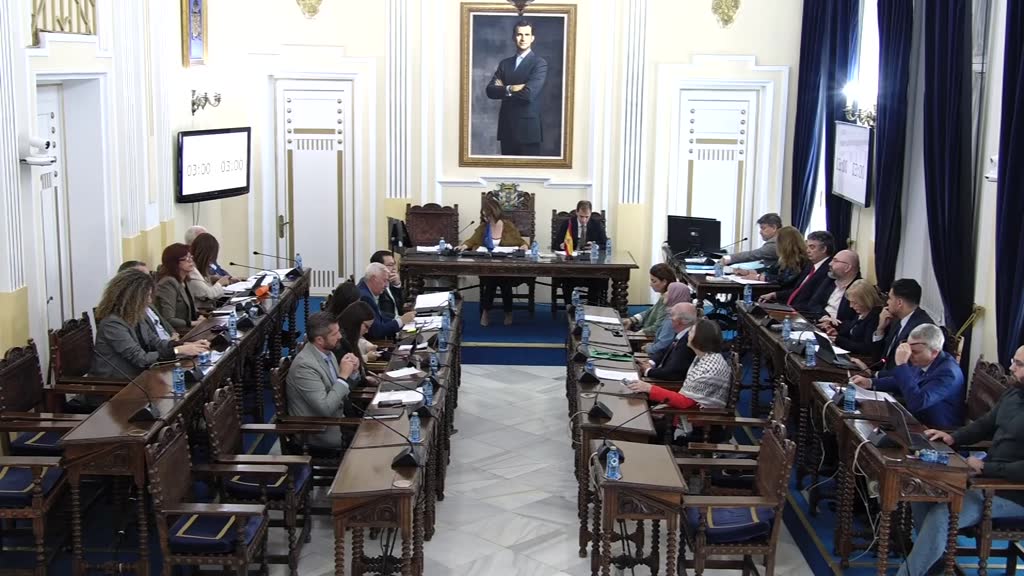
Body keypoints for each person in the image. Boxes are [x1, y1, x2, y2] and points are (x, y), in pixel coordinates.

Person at [891, 345, 1024, 576]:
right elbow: (985, 424)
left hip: (1009, 491)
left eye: (1019, 364)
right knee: (920, 492)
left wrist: (987, 467)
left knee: (942, 516)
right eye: (1013, 360)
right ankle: (933, 562)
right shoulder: (1014, 393)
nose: (1011, 367)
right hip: (984, 478)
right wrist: (953, 437)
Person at [91, 269, 208, 381]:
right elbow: (140, 358)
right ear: (132, 298)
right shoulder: (113, 324)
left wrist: (186, 345)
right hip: (117, 383)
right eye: (146, 296)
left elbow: (156, 343)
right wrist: (177, 350)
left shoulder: (136, 316)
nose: (149, 301)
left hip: (141, 375)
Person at [851, 324, 964, 429]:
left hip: (936, 430)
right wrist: (870, 382)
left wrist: (902, 365)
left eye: (915, 352)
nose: (910, 356)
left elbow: (917, 403)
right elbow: (903, 380)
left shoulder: (948, 373)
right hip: (914, 420)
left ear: (934, 352)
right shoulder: (924, 360)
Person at [287, 312, 360, 448]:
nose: (340, 336)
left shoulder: (328, 353)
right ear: (320, 340)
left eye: (339, 331)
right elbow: (325, 409)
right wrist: (343, 376)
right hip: (320, 432)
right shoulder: (304, 366)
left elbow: (340, 392)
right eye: (335, 334)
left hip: (341, 421)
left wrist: (353, 372)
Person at [628, 319, 732, 412]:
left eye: (691, 331)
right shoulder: (704, 357)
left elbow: (685, 402)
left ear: (699, 338)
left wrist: (649, 388)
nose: (688, 334)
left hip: (696, 419)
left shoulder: (709, 368)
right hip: (687, 412)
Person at [458, 197, 529, 326]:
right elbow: (471, 241)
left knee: (504, 280)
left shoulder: (508, 226)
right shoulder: (483, 227)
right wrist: (463, 246)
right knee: (492, 279)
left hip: (507, 266)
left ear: (495, 213)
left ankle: (503, 312)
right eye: (484, 216)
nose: (486, 219)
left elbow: (521, 242)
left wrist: (524, 246)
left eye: (488, 216)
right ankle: (490, 312)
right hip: (488, 266)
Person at [485, 19, 549, 156]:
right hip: (507, 129)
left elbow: (528, 95)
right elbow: (490, 91)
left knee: (528, 170)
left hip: (528, 132)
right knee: (506, 169)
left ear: (532, 38)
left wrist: (503, 90)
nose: (523, 38)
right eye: (519, 34)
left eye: (527, 35)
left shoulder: (539, 63)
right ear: (514, 37)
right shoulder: (505, 64)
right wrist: (511, 88)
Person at [872, 278, 935, 376]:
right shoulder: (897, 320)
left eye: (890, 298)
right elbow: (881, 359)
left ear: (899, 303)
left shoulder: (922, 329)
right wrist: (880, 329)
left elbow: (910, 371)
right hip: (884, 376)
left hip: (896, 382)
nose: (887, 302)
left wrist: (875, 376)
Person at [759, 230, 834, 309]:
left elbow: (814, 301)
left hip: (802, 311)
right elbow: (797, 291)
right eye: (807, 247)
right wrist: (775, 294)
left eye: (812, 247)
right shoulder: (810, 266)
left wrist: (789, 310)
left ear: (823, 249)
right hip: (791, 306)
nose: (807, 251)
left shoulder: (829, 270)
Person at [556, 200, 610, 305]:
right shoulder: (568, 223)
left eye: (587, 217)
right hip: (571, 264)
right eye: (581, 216)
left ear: (590, 214)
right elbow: (556, 244)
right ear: (576, 212)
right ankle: (569, 306)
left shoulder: (596, 224)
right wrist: (562, 245)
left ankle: (591, 307)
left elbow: (605, 244)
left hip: (591, 265)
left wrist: (595, 246)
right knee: (566, 277)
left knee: (597, 279)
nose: (584, 220)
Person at [734, 226, 809, 291]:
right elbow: (771, 269)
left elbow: (785, 279)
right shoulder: (785, 258)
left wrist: (759, 277)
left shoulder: (800, 259)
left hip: (785, 295)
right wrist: (748, 272)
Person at [117, 260, 176, 342]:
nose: (149, 280)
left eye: (149, 276)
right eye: (142, 277)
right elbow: (145, 346)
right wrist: (173, 346)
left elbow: (164, 323)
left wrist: (174, 335)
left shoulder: (149, 303)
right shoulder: (124, 316)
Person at [642, 303, 699, 381]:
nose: (670, 319)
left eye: (671, 316)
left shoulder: (688, 341)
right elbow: (665, 351)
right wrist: (651, 362)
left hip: (672, 383)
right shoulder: (682, 333)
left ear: (681, 321)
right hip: (664, 373)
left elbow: (672, 373)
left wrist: (648, 371)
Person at [358, 263, 416, 340]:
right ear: (374, 279)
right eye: (384, 281)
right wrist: (401, 321)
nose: (386, 285)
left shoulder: (364, 289)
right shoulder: (365, 297)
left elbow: (379, 315)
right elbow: (377, 331)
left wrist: (398, 318)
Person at [328, 281, 381, 361]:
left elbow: (354, 337)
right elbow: (342, 360)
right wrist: (366, 357)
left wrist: (366, 345)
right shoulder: (334, 327)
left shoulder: (345, 325)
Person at [154, 243, 201, 332]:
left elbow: (191, 308)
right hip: (177, 332)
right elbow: (168, 319)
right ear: (174, 262)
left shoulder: (186, 280)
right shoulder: (168, 283)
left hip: (190, 329)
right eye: (186, 258)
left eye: (190, 257)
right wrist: (192, 323)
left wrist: (200, 316)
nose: (190, 261)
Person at [830, 279, 883, 356]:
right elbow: (852, 329)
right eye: (850, 302)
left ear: (866, 300)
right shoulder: (862, 311)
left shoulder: (875, 317)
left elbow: (865, 348)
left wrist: (839, 340)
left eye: (855, 303)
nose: (851, 306)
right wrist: (836, 331)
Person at [622, 263, 677, 337]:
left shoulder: (667, 300)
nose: (650, 284)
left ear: (664, 282)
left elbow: (657, 328)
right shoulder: (664, 295)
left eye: (654, 281)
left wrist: (636, 334)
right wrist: (632, 320)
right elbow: (651, 311)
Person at [334, 301, 379, 389]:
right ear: (355, 321)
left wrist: (367, 373)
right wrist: (365, 379)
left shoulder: (350, 336)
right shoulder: (340, 342)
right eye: (366, 327)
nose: (367, 331)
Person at [810, 249, 861, 326]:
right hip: (819, 323)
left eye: (835, 261)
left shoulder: (860, 289)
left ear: (847, 267)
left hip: (838, 329)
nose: (830, 263)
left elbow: (857, 321)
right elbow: (813, 304)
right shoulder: (830, 280)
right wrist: (824, 317)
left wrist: (833, 324)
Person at [645, 283, 693, 357]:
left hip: (662, 357)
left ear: (676, 295)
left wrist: (648, 348)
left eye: (669, 291)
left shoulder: (673, 319)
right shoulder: (679, 313)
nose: (666, 293)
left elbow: (663, 345)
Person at [187, 233, 231, 307]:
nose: (212, 260)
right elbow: (209, 295)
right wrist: (220, 283)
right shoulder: (191, 271)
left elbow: (203, 282)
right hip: (201, 311)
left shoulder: (200, 266)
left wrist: (213, 279)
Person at [370, 250, 404, 319]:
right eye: (390, 265)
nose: (394, 268)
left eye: (394, 264)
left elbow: (400, 308)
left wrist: (397, 285)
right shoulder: (375, 287)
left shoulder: (390, 283)